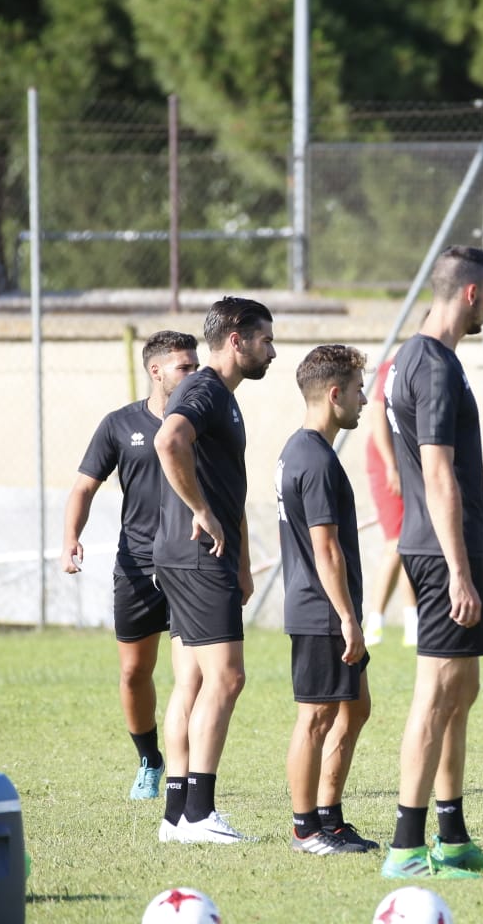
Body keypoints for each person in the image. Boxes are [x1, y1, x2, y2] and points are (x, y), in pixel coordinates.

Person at [379, 245, 483, 879]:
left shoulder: (426, 358)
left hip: (449, 548)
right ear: (469, 294)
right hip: (437, 555)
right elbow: (435, 470)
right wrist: (459, 567)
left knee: (462, 690)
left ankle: (453, 838)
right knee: (435, 695)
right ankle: (406, 847)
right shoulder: (430, 365)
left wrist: (480, 553)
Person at [153, 296, 276, 845]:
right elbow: (168, 440)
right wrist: (200, 511)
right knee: (227, 677)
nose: (271, 351)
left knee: (194, 681)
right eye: (265, 339)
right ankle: (200, 814)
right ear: (235, 338)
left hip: (192, 556)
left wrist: (244, 562)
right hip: (197, 554)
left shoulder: (221, 397)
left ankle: (177, 816)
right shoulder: (203, 390)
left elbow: (230, 488)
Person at [61, 330, 200, 800]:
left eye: (195, 364)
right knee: (133, 673)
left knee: (193, 675)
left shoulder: (204, 420)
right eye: (184, 366)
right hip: (137, 566)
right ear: (156, 370)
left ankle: (191, 769)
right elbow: (83, 487)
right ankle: (150, 760)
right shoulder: (119, 424)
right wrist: (70, 541)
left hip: (191, 564)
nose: (193, 373)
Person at [276, 344, 380, 856]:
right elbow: (325, 547)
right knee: (316, 717)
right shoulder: (313, 458)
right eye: (359, 390)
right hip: (322, 611)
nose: (364, 400)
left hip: (329, 608)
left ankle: (330, 818)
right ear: (335, 393)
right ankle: (305, 829)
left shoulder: (306, 450)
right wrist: (347, 618)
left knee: (355, 708)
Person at [363, 352, 419, 648]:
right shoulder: (396, 365)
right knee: (396, 542)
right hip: (390, 464)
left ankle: (413, 624)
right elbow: (376, 413)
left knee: (411, 542)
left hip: (412, 462)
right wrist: (390, 465)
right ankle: (375, 622)